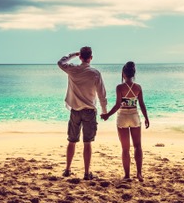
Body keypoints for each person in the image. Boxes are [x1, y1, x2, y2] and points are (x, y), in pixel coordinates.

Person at [57, 46, 108, 180]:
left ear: (80, 57)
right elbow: (102, 94)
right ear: (91, 58)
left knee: (72, 141)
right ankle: (86, 173)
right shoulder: (95, 73)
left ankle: (67, 169)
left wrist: (73, 53)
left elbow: (60, 62)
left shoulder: (73, 69)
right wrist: (105, 112)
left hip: (75, 110)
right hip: (89, 111)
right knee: (87, 143)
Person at [102, 61, 149, 181]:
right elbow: (142, 104)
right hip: (134, 117)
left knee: (125, 149)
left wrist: (107, 115)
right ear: (133, 74)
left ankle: (127, 175)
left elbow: (118, 105)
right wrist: (146, 118)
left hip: (122, 117)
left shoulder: (120, 87)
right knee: (138, 146)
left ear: (123, 74)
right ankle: (139, 174)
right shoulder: (138, 87)